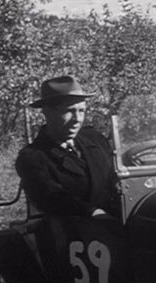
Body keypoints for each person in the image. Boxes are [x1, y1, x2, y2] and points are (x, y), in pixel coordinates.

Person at [16, 75, 119, 218]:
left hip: (122, 220)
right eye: (69, 111)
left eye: (81, 111)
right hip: (76, 232)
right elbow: (52, 197)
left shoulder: (95, 139)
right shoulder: (32, 158)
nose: (77, 119)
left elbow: (118, 176)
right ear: (47, 112)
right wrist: (93, 213)